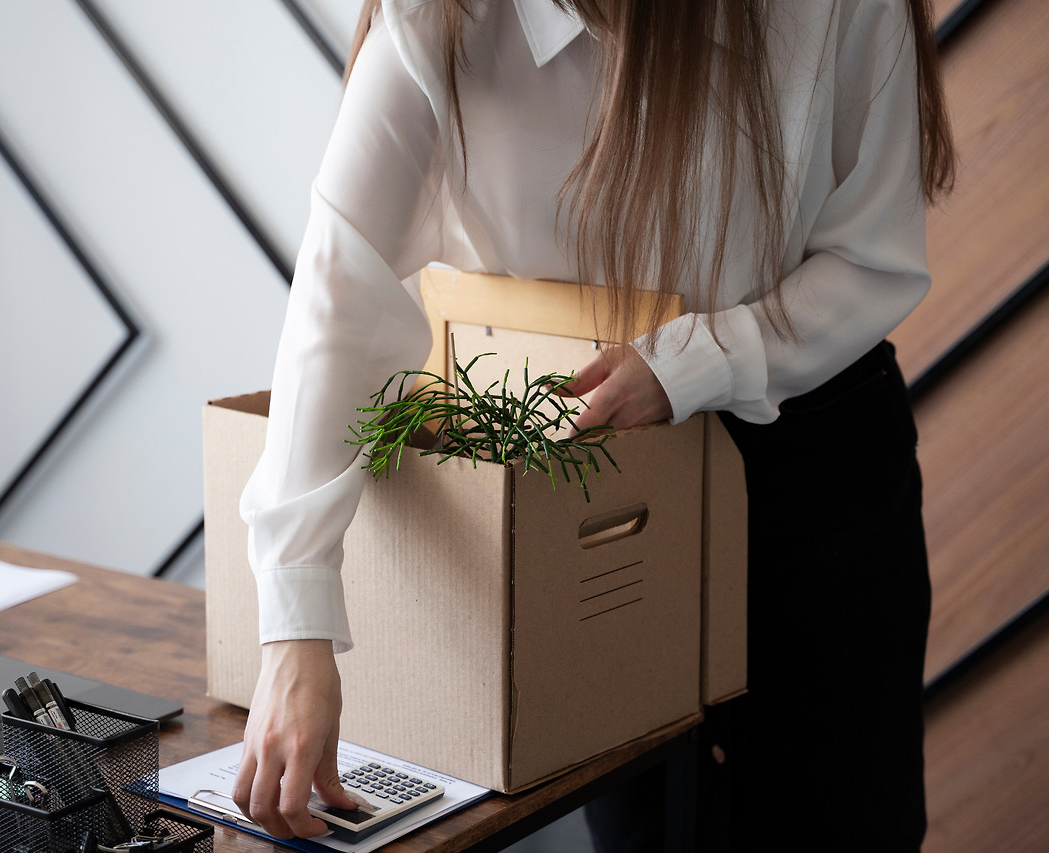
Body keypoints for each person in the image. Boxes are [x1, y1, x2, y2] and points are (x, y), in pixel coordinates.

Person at [231, 0, 954, 849]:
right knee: (645, 826)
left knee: (837, 820)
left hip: (808, 460)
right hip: (601, 478)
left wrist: (692, 362)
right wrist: (294, 622)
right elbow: (338, 295)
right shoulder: (442, 16)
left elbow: (875, 260)